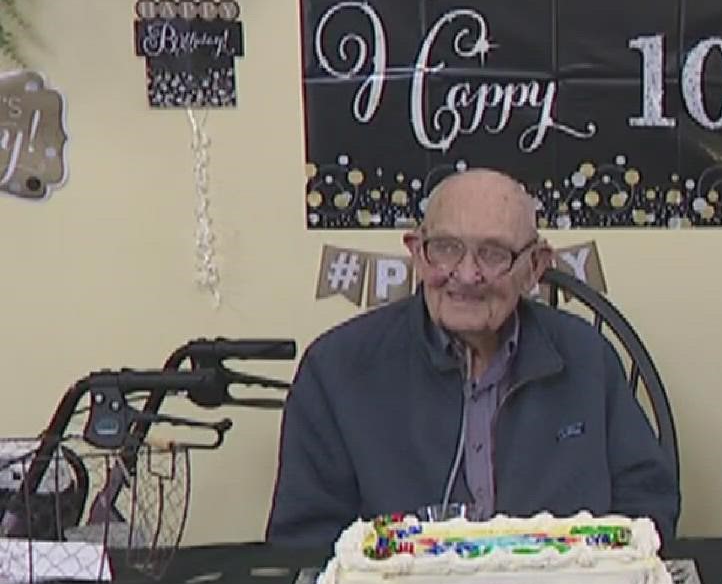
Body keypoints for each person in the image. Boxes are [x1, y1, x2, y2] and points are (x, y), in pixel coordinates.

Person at [266, 169, 679, 546]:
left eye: (493, 254)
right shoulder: (336, 370)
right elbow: (303, 544)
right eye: (445, 249)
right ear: (417, 252)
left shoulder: (588, 357)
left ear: (535, 266)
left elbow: (647, 503)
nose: (466, 275)